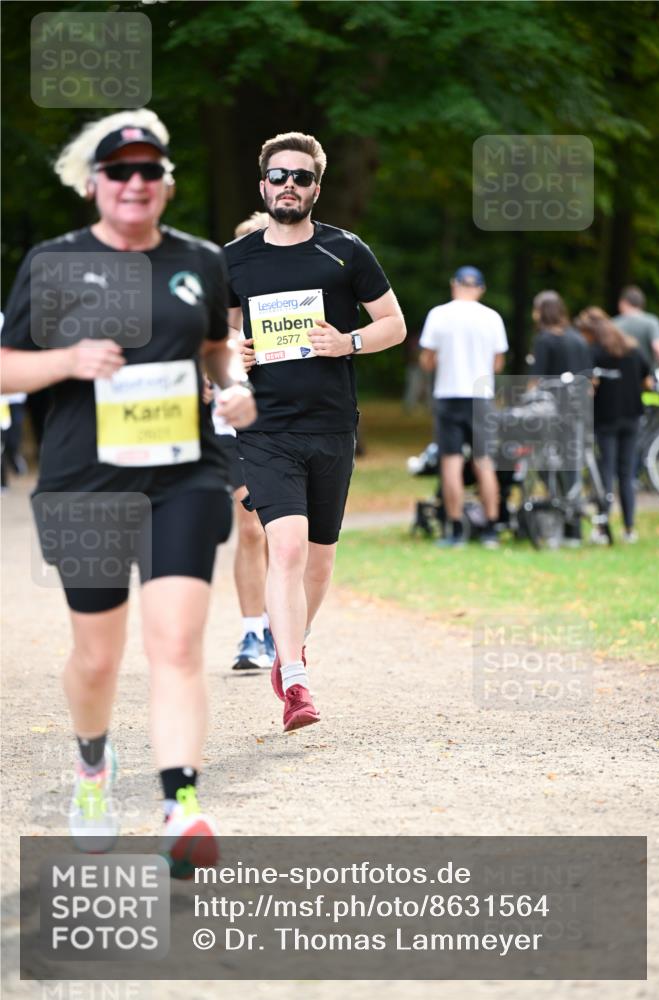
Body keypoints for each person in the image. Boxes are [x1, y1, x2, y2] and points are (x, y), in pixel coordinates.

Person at [0, 110, 256, 867]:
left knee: (175, 643)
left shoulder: (202, 261)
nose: (135, 183)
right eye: (121, 172)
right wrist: (67, 360)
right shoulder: (53, 264)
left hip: (184, 476)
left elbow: (217, 348)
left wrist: (235, 387)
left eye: (150, 171)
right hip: (85, 486)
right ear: (94, 185)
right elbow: (6, 365)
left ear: (167, 185)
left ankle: (180, 806)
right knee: (98, 658)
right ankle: (92, 764)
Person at [224, 131, 405, 732]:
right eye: (279, 176)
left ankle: (289, 645)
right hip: (266, 428)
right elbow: (216, 341)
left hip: (331, 424)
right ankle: (295, 678)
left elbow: (395, 325)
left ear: (316, 189)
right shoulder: (236, 260)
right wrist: (234, 356)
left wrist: (346, 341)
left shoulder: (346, 251)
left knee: (320, 562)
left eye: (301, 178)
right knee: (288, 546)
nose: (289, 186)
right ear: (263, 185)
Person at [213, 211, 275, 670]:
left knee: (284, 533)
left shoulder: (290, 307)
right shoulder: (217, 311)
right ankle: (252, 633)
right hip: (233, 431)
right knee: (251, 527)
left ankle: (281, 624)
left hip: (286, 429)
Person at [419, 266, 508, 549]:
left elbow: (427, 359)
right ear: (481, 288)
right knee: (484, 461)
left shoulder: (439, 314)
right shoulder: (492, 317)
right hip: (481, 395)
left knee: (451, 463)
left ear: (453, 284)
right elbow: (498, 362)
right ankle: (491, 528)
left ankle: (455, 528)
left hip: (448, 394)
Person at [575, 307, 650, 542]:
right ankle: (629, 529)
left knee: (605, 473)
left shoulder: (594, 352)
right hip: (632, 417)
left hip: (606, 419)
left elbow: (589, 385)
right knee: (626, 475)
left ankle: (602, 528)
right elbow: (646, 381)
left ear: (590, 331)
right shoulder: (632, 348)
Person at [529, 290, 592, 547]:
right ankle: (573, 530)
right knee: (572, 469)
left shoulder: (544, 341)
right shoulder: (577, 339)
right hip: (577, 413)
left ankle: (557, 518)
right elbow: (590, 382)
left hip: (551, 415)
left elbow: (534, 382)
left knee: (546, 466)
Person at [614, 285, 659, 373]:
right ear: (641, 303)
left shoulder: (613, 324)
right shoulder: (651, 321)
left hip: (621, 379)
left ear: (623, 303)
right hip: (647, 380)